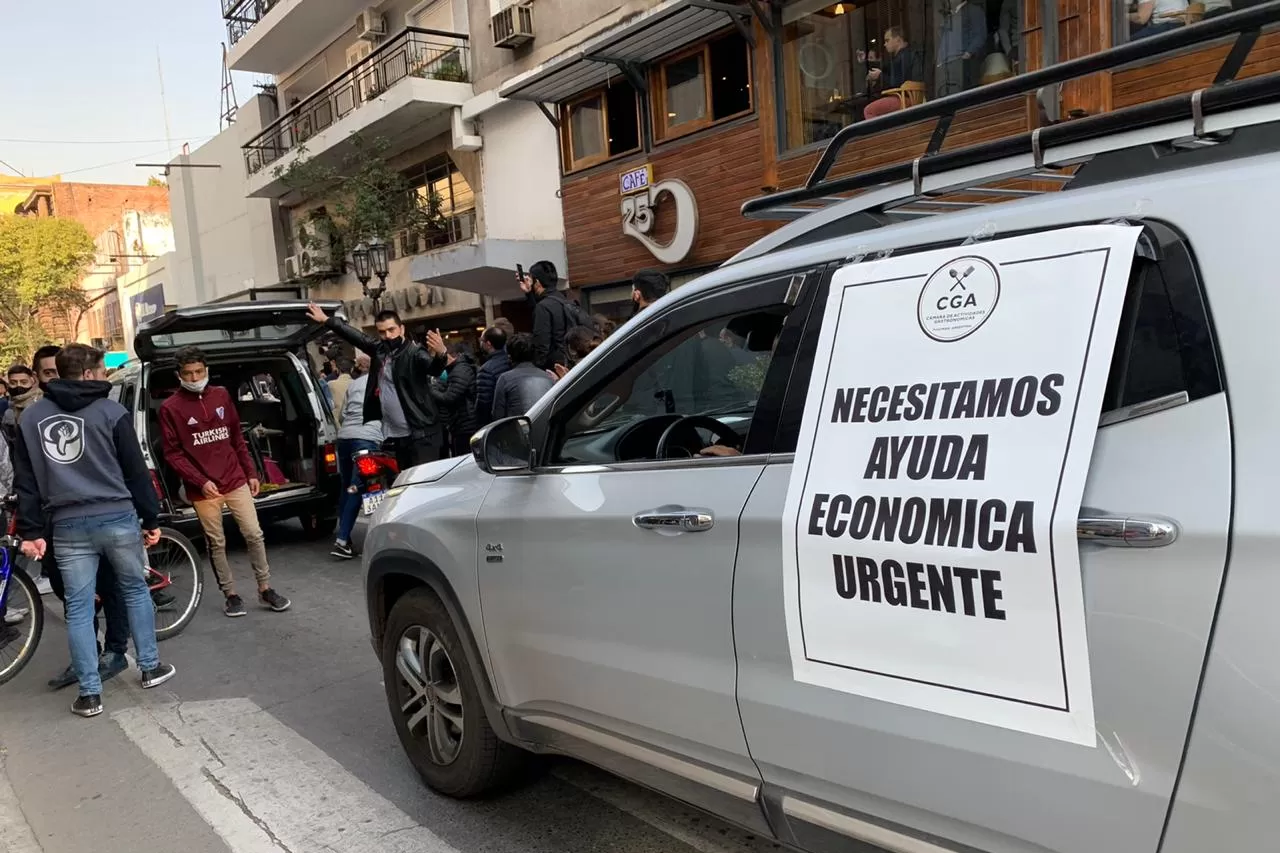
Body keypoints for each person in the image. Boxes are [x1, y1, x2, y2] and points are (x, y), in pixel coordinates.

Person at [13, 344, 176, 717]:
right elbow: (136, 471)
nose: (105, 376)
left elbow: (26, 482)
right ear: (87, 374)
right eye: (102, 371)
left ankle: (90, 694)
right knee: (135, 591)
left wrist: (32, 530)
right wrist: (151, 520)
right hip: (117, 517)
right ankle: (150, 667)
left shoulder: (33, 418)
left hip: (67, 526)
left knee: (79, 608)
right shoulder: (110, 411)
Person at [158, 346, 291, 618]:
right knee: (216, 542)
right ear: (179, 375)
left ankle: (265, 588)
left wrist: (252, 473)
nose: (194, 378)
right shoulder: (170, 408)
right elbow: (172, 454)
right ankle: (230, 594)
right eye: (188, 373)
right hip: (203, 489)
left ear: (206, 370)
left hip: (235, 479)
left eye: (199, 372)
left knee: (254, 533)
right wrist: (199, 480)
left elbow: (236, 438)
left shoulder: (221, 395)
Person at [305, 304, 449, 471]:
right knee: (401, 483)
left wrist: (441, 353)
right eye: (382, 332)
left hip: (421, 435)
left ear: (401, 329)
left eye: (391, 330)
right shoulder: (380, 350)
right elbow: (356, 336)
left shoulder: (414, 353)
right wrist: (327, 320)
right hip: (394, 436)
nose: (387, 336)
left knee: (422, 482)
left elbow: (434, 368)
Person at [331, 353, 382, 560]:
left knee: (348, 487)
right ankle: (343, 541)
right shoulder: (381, 383)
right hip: (367, 440)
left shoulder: (353, 385)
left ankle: (345, 537)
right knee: (369, 488)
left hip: (345, 440)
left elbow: (343, 415)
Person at [521, 260, 592, 370]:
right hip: (574, 364)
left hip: (556, 369)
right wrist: (529, 293)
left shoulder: (543, 307)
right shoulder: (567, 302)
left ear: (537, 282)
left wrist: (537, 370)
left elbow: (541, 348)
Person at [864, 27, 925, 120]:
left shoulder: (902, 57)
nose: (885, 44)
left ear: (898, 40)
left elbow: (897, 83)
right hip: (911, 99)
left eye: (887, 40)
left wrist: (879, 76)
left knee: (869, 111)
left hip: (904, 99)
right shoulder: (909, 55)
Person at [492, 333, 556, 420]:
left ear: (510, 356)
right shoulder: (548, 378)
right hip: (545, 430)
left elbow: (498, 415)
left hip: (517, 430)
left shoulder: (505, 379)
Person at [431, 342, 478, 457]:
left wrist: (429, 390)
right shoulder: (457, 369)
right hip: (462, 422)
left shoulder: (459, 370)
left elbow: (449, 397)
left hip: (466, 424)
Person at [935, 0, 987, 97]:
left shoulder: (974, 10)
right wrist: (940, 60)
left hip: (963, 65)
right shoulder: (950, 14)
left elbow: (980, 35)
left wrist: (967, 54)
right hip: (947, 66)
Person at [474, 322, 513, 427]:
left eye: (482, 340)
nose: (480, 343)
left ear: (488, 344)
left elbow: (483, 404)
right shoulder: (512, 362)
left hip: (495, 423)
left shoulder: (486, 370)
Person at [2, 365, 39, 446]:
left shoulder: (39, 405)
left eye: (24, 382)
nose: (18, 386)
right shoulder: (10, 409)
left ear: (32, 382)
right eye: (13, 383)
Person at [329, 357, 354, 423]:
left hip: (336, 423)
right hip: (353, 422)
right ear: (351, 370)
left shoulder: (330, 384)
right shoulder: (357, 384)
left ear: (338, 370)